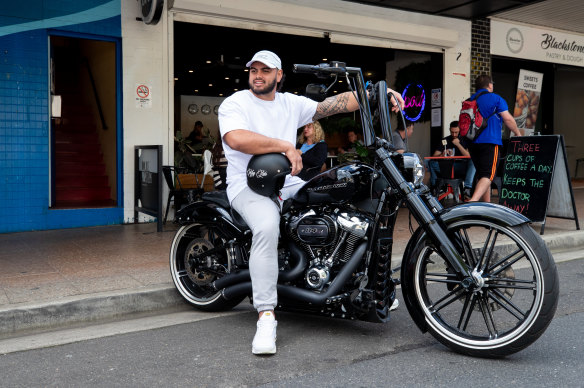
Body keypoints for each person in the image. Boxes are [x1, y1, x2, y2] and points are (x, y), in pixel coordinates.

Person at [218, 50, 404, 355]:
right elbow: (236, 139)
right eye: (254, 69)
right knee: (266, 227)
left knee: (340, 206)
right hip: (248, 184)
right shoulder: (236, 103)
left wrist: (379, 93)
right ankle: (266, 315)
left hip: (285, 181)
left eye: (266, 70)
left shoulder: (290, 103)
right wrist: (284, 146)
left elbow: (331, 106)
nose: (258, 75)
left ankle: (363, 284)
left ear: (279, 75)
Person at [468, 74, 522, 203]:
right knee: (488, 175)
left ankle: (487, 205)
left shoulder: (470, 100)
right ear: (490, 85)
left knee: (483, 175)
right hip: (490, 142)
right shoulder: (496, 98)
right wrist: (518, 133)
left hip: (472, 143)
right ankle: (473, 201)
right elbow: (508, 119)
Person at [429, 120, 476, 198]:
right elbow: (434, 156)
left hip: (461, 167)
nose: (454, 134)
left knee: (473, 161)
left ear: (460, 130)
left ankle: (467, 189)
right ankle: (436, 187)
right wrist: (442, 154)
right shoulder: (445, 140)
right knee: (431, 162)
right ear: (449, 130)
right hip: (446, 167)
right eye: (452, 132)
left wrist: (458, 144)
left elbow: (468, 155)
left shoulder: (465, 139)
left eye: (456, 132)